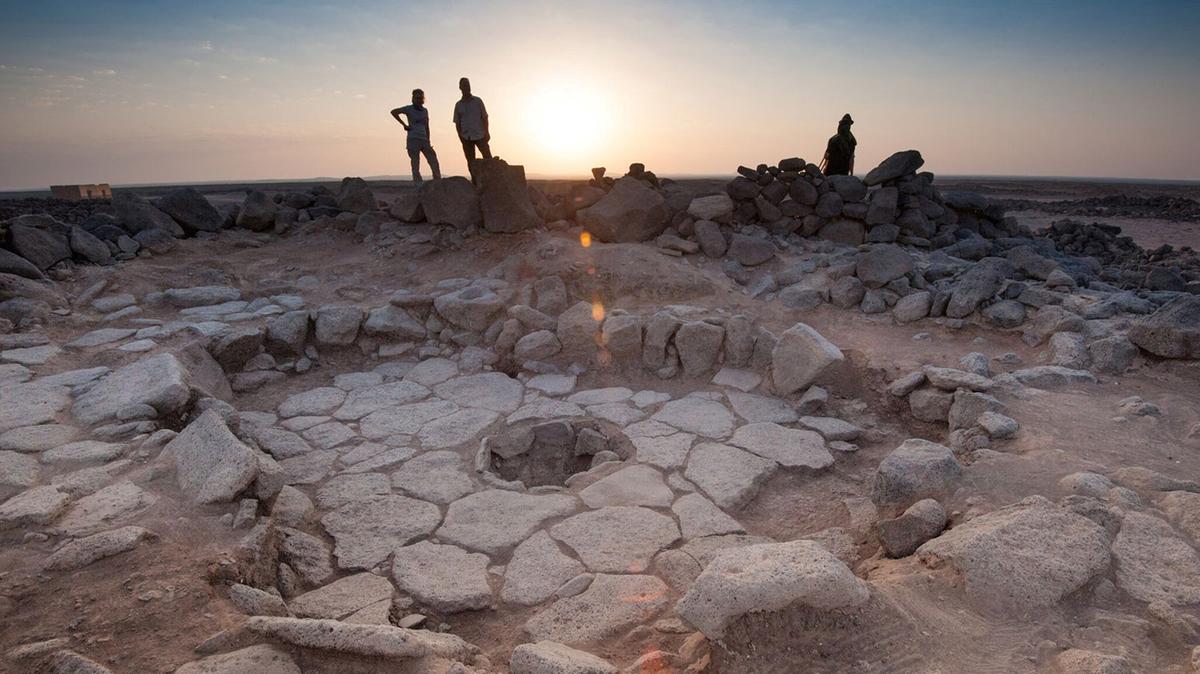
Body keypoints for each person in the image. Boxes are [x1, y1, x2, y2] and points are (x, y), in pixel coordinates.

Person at [390, 89, 441, 183]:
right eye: (416, 98)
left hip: (424, 139)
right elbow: (393, 112)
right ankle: (418, 185)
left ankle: (437, 182)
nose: (418, 100)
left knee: (433, 160)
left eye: (420, 98)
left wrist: (428, 139)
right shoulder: (408, 109)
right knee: (415, 163)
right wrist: (404, 125)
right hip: (413, 139)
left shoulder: (425, 111)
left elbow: (427, 125)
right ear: (413, 98)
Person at [453, 77, 491, 163]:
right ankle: (474, 177)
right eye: (465, 85)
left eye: (468, 85)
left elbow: (485, 117)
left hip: (481, 135)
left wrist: (487, 132)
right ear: (460, 88)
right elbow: (457, 123)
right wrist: (460, 137)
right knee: (471, 162)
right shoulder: (458, 105)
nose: (467, 87)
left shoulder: (478, 101)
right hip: (466, 137)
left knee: (488, 159)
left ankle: (492, 177)